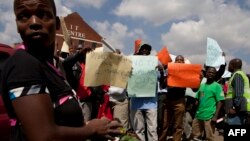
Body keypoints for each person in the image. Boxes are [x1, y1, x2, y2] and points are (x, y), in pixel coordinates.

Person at [0, 0, 122, 141]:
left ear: (57, 23)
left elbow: (57, 121)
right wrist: (91, 129)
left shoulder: (48, 65)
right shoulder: (23, 65)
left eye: (43, 14)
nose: (34, 22)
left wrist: (89, 126)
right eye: (23, 16)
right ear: (16, 25)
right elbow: (43, 136)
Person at [130, 43, 158, 141]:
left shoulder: (155, 65)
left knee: (152, 129)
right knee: (138, 129)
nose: (145, 51)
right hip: (136, 103)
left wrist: (161, 71)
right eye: (143, 50)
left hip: (151, 103)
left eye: (147, 50)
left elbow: (160, 79)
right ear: (140, 52)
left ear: (150, 53)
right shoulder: (132, 64)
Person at [159, 55, 187, 141]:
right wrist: (162, 73)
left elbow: (194, 89)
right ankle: (162, 139)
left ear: (183, 63)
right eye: (177, 60)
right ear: (174, 62)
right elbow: (162, 85)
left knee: (178, 125)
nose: (179, 61)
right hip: (168, 101)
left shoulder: (187, 73)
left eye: (181, 60)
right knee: (165, 124)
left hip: (179, 102)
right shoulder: (169, 72)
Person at [191, 67, 225, 141]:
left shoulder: (217, 86)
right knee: (196, 137)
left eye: (213, 73)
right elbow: (198, 98)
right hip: (198, 115)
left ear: (215, 75)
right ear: (206, 73)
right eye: (209, 72)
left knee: (209, 138)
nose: (211, 74)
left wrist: (215, 116)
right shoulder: (202, 85)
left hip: (209, 116)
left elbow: (220, 101)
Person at [225, 58, 250, 125]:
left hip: (237, 111)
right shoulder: (240, 74)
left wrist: (234, 108)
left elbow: (238, 93)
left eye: (229, 65)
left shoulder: (238, 75)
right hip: (240, 109)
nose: (228, 67)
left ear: (233, 66)